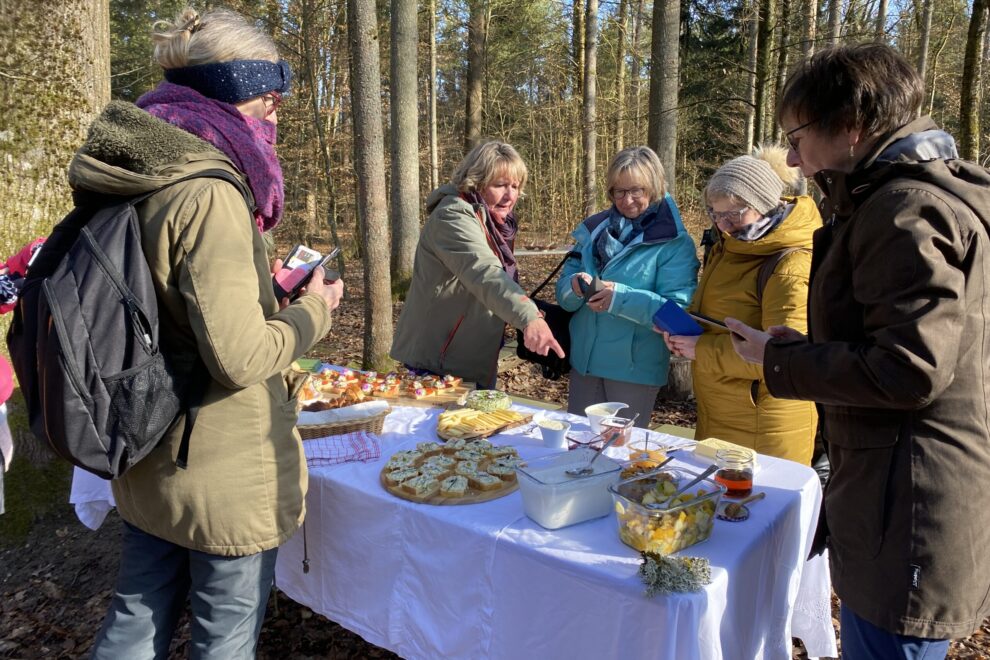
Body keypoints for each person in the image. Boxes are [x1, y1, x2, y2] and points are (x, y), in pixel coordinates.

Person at [74, 8, 343, 658]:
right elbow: (242, 356)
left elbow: (167, 301)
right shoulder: (210, 190)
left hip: (146, 454)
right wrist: (314, 310)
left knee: (135, 625)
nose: (276, 116)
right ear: (237, 90)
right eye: (272, 98)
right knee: (223, 641)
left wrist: (264, 290)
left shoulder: (138, 171)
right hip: (221, 468)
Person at [727, 44, 990, 658]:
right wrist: (806, 349)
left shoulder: (906, 211)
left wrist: (782, 364)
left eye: (797, 136)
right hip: (892, 493)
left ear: (850, 127)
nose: (791, 157)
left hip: (910, 506)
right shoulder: (897, 200)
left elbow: (909, 369)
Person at [662, 146, 819, 463]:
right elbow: (721, 314)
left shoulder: (790, 264)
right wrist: (683, 325)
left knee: (757, 509)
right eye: (715, 214)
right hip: (721, 411)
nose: (722, 225)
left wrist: (700, 348)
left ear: (763, 205)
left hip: (766, 426)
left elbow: (784, 358)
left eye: (733, 214)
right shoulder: (731, 246)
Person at [391, 141, 563, 388]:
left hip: (473, 352)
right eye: (501, 185)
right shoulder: (453, 216)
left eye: (515, 186)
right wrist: (529, 318)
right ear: (476, 182)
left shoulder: (493, 223)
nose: (511, 195)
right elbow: (485, 273)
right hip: (440, 357)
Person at [554, 146, 698, 426]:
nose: (627, 200)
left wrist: (618, 298)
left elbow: (677, 311)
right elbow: (564, 294)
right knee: (579, 448)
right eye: (618, 191)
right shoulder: (593, 230)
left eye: (637, 190)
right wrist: (574, 287)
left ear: (654, 188)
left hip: (633, 369)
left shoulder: (674, 242)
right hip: (584, 363)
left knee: (619, 456)